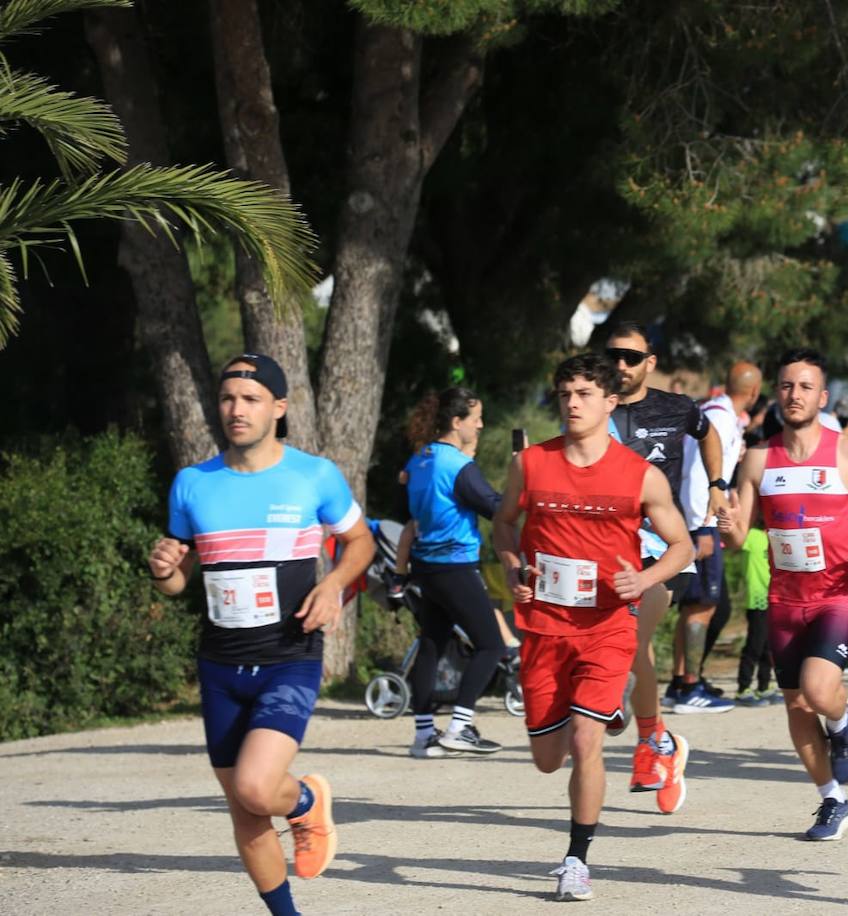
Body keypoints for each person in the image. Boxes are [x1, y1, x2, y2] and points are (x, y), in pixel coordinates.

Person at [147, 354, 375, 916]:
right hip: (220, 661)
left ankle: (303, 799)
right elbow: (179, 581)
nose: (236, 409)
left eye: (250, 399)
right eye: (227, 398)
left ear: (278, 407)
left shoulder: (313, 474)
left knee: (254, 786)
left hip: (288, 656)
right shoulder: (192, 483)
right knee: (245, 810)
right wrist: (166, 571)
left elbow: (361, 542)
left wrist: (334, 588)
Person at [492, 353, 694, 901]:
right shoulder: (530, 464)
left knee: (586, 741)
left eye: (585, 393)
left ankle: (576, 860)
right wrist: (512, 568)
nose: (573, 403)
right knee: (546, 759)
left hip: (607, 626)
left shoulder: (640, 475)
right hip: (543, 628)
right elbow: (504, 525)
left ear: (610, 402)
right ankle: (607, 704)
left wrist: (644, 579)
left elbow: (683, 545)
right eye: (565, 394)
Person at [718, 347, 848, 841]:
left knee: (820, 693)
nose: (794, 395)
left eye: (804, 387)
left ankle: (842, 720)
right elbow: (737, 539)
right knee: (797, 705)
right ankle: (833, 801)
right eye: (786, 386)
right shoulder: (757, 459)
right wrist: (729, 523)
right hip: (784, 598)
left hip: (836, 593)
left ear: (822, 396)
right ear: (776, 394)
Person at [603, 321, 729, 803]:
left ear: (649, 363)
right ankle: (658, 743)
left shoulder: (676, 407)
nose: (620, 365)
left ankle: (635, 720)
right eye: (613, 355)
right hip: (610, 550)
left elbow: (710, 434)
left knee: (632, 631)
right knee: (636, 647)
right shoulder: (596, 408)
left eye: (631, 358)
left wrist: (717, 486)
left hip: (665, 549)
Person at [396, 388, 506, 758]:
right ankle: (460, 725)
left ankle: (424, 736)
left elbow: (410, 494)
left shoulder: (419, 459)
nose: (481, 423)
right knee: (492, 644)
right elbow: (495, 507)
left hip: (425, 567)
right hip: (455, 565)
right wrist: (524, 491)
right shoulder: (457, 465)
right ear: (456, 423)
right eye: (475, 417)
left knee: (432, 645)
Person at [672, 361, 758, 708]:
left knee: (699, 605)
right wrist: (702, 527)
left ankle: (683, 681)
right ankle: (689, 688)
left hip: (698, 518)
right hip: (699, 522)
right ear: (752, 392)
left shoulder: (719, 414)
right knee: (702, 606)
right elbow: (697, 475)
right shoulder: (720, 419)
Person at [736, 520, 782, 706]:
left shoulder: (776, 536)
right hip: (757, 599)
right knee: (754, 646)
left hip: (775, 597)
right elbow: (733, 535)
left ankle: (764, 686)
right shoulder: (750, 535)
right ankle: (743, 688)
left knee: (769, 647)